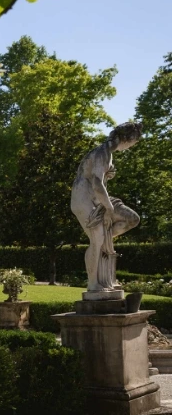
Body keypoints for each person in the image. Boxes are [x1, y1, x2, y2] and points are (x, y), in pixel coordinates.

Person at [70, 122, 142, 293]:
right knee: (97, 239)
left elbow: (97, 178)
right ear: (128, 138)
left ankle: (104, 237)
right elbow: (96, 183)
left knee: (132, 219)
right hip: (84, 199)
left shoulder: (106, 153)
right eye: (133, 142)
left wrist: (107, 177)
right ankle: (93, 284)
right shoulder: (103, 152)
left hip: (97, 198)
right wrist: (109, 209)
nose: (132, 146)